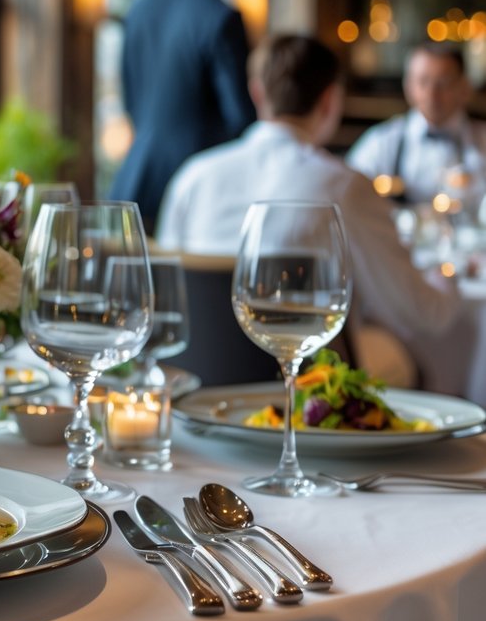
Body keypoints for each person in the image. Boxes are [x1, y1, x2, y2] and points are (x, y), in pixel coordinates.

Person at [156, 34, 459, 388]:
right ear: (331, 100)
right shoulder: (345, 188)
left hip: (200, 380)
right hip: (308, 385)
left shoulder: (192, 176)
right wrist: (448, 278)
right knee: (404, 359)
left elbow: (170, 298)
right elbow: (421, 313)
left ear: (256, 92)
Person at [110, 0, 262, 229]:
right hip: (196, 194)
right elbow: (240, 118)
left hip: (136, 180)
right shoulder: (222, 18)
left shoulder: (141, 7)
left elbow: (131, 98)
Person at [345, 44, 486, 208]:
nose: (432, 94)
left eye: (443, 83)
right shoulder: (381, 142)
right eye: (423, 81)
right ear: (408, 86)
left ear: (464, 87)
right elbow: (347, 196)